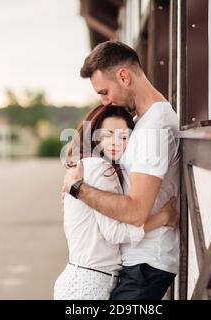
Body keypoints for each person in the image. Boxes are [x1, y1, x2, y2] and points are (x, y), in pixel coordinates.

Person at [62, 41, 181, 300]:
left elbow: (136, 211)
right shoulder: (143, 123)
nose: (106, 101)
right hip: (136, 261)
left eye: (104, 92)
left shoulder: (154, 129)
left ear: (124, 77)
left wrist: (78, 189)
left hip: (147, 264)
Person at [54, 104, 177, 300]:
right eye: (107, 135)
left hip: (80, 278)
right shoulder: (102, 169)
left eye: (124, 136)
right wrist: (163, 218)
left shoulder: (86, 167)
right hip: (89, 284)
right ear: (94, 136)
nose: (115, 143)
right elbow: (115, 233)